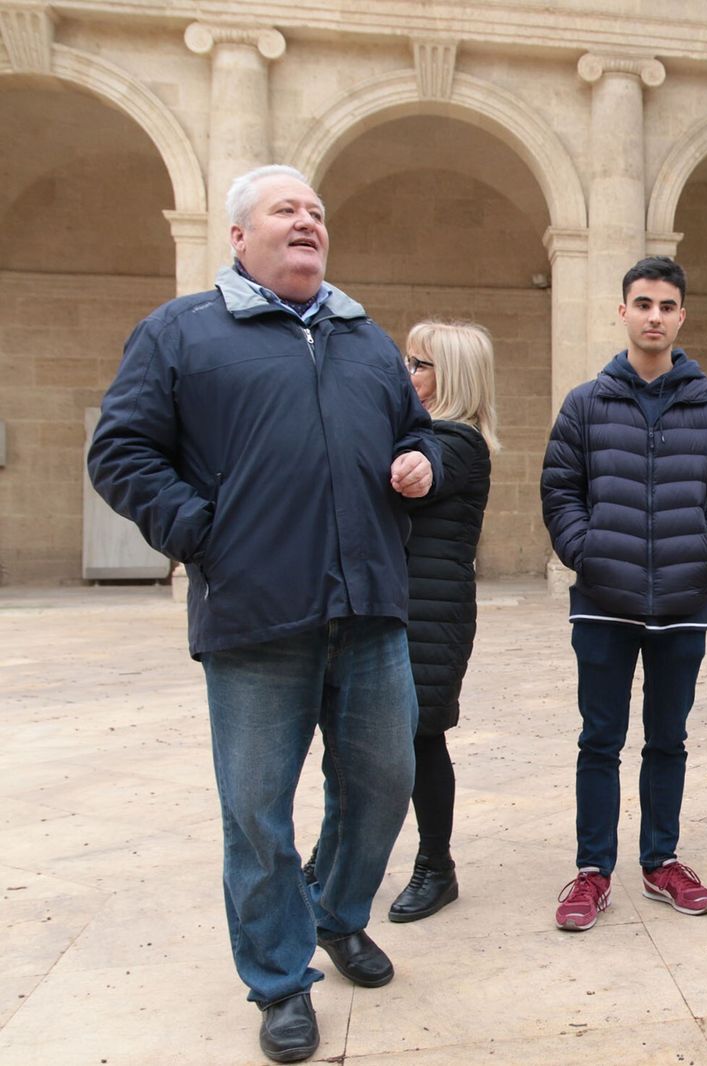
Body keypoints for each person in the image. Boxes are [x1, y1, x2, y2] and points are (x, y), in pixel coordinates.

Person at [87, 164, 438, 1064]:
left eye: (318, 211)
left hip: (369, 609)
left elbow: (415, 430)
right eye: (287, 210)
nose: (309, 221)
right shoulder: (182, 332)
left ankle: (336, 916)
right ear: (240, 236)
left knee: (384, 783)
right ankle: (280, 980)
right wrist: (202, 531)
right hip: (254, 616)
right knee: (256, 812)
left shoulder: (365, 338)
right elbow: (120, 448)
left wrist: (421, 463)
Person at [541, 256, 707, 932]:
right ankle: (593, 870)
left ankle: (661, 862)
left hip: (683, 604)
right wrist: (587, 552)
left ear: (682, 316)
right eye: (642, 303)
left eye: (666, 305)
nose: (654, 315)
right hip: (604, 601)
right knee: (599, 740)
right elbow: (560, 489)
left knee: (668, 739)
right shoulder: (586, 402)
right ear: (622, 311)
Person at [386, 321, 499, 922]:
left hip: (429, 614)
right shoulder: (424, 433)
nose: (408, 375)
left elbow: (397, 474)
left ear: (451, 376)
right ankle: (335, 855)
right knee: (360, 740)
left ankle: (437, 867)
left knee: (423, 737)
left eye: (420, 365)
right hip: (396, 608)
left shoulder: (455, 443)